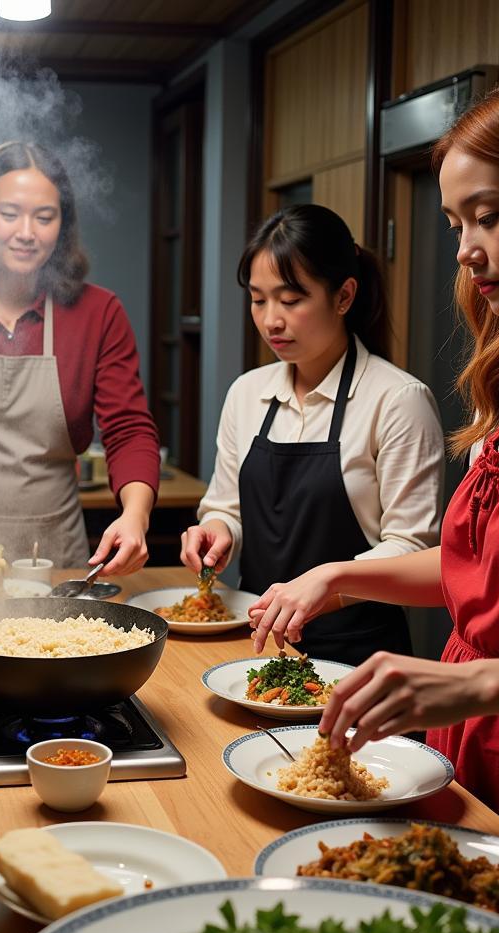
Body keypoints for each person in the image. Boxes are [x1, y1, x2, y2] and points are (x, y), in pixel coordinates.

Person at [248, 70, 499, 880]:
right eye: (454, 221)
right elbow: (484, 573)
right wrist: (340, 576)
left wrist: (470, 684)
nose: (467, 249)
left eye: (490, 215)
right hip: (469, 760)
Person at [181, 205, 444, 664]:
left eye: (291, 299)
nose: (271, 321)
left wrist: (332, 582)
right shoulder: (247, 393)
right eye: (259, 300)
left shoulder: (398, 399)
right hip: (256, 646)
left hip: (359, 656)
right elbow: (226, 506)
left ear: (343, 296)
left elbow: (412, 545)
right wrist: (217, 530)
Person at [0, 141, 160, 574]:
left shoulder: (99, 312)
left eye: (44, 217)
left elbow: (129, 430)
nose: (26, 232)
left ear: (62, 226)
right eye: (9, 213)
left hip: (52, 548)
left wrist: (135, 515)